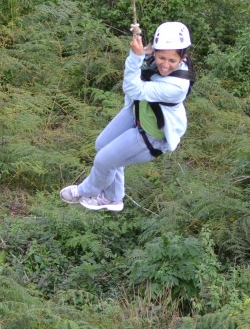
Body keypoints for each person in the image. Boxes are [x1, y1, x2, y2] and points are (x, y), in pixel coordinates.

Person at [60, 21, 193, 212]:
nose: (165, 65)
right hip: (139, 114)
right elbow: (148, 63)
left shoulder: (177, 86)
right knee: (101, 145)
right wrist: (143, 50)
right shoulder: (157, 56)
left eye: (172, 61)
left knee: (103, 161)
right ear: (155, 51)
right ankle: (114, 197)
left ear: (183, 57)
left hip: (152, 135)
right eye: (161, 57)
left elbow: (132, 88)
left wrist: (135, 56)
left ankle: (86, 191)